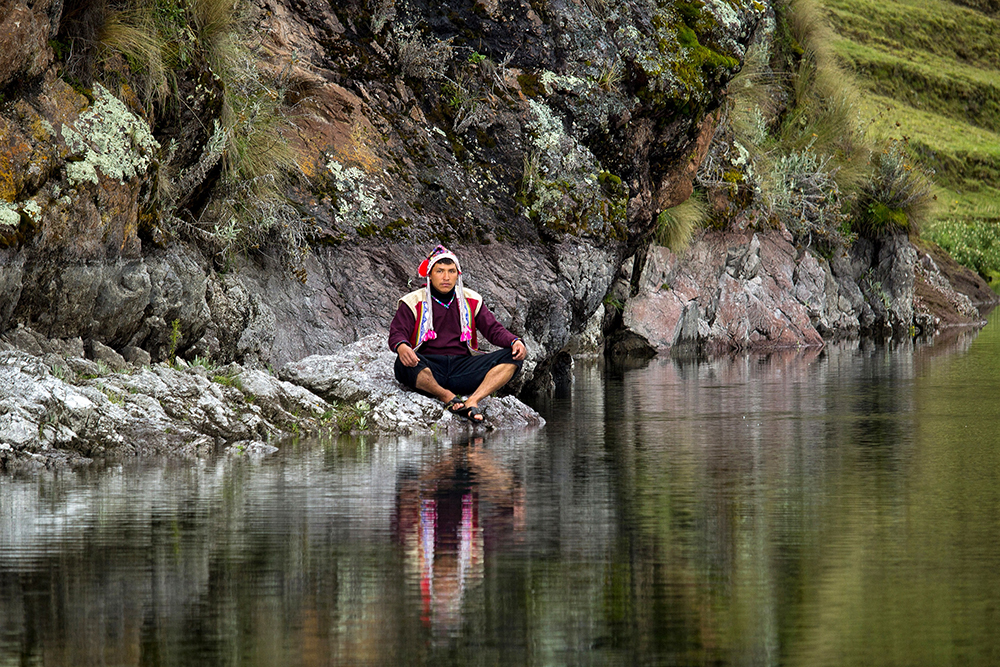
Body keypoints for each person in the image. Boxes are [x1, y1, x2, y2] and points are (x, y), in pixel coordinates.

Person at [388, 245, 527, 424]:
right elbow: (397, 333)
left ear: (458, 274)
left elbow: (493, 331)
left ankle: (472, 400)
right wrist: (402, 346)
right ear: (429, 274)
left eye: (451, 271)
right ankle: (446, 396)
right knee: (403, 363)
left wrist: (515, 341)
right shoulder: (413, 301)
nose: (446, 277)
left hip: (463, 367)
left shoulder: (472, 299)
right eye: (440, 271)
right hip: (429, 367)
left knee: (514, 357)